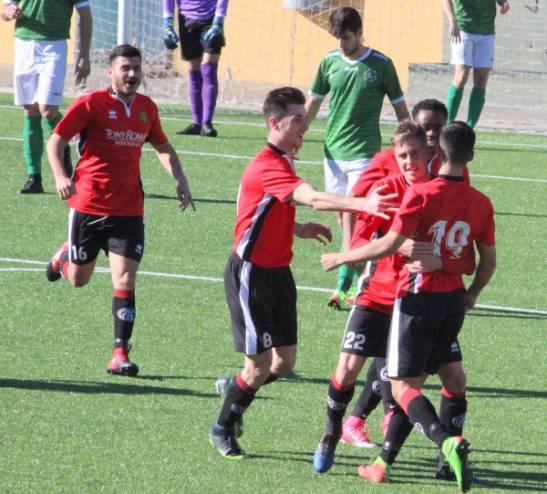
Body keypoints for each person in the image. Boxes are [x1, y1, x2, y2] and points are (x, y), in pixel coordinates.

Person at [209, 86, 401, 460]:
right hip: (251, 275)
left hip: (279, 274)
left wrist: (297, 228)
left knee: (284, 362)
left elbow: (259, 208)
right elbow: (312, 197)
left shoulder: (285, 161)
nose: (305, 126)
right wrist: (363, 203)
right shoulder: (267, 164)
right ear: (274, 123)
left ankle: (235, 387)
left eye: (305, 119)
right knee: (259, 366)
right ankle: (222, 427)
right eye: (297, 120)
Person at [321, 122, 496, 492]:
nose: (408, 160)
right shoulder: (389, 192)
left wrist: (342, 257)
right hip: (400, 298)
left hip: (416, 301)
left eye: (415, 153)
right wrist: (471, 291)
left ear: (434, 153)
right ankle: (348, 444)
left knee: (411, 386)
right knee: (361, 372)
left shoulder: (427, 194)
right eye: (401, 155)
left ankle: (443, 449)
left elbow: (406, 246)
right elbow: (476, 261)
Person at [44, 44, 195, 377]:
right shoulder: (91, 104)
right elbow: (56, 139)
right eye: (125, 68)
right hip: (88, 205)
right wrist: (60, 176)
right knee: (79, 280)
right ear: (110, 71)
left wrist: (181, 179)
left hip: (128, 209)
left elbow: (162, 146)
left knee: (125, 278)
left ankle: (119, 353)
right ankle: (64, 257)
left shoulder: (146, 108)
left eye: (136, 68)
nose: (131, 74)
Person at [341, 102, 472, 481]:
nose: (429, 136)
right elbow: (359, 209)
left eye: (436, 130)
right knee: (398, 380)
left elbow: (467, 256)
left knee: (430, 382)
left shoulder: (455, 185)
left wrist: (457, 274)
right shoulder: (390, 173)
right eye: (424, 128)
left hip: (436, 299)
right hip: (408, 296)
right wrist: (349, 254)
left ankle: (440, 455)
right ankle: (365, 438)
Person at [306, 6, 410, 310]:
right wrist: (298, 134)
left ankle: (345, 283)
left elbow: (400, 108)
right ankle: (364, 272)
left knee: (357, 217)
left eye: (347, 37)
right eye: (337, 38)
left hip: (365, 154)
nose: (341, 43)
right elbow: (313, 101)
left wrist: (410, 143)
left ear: (360, 33)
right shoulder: (329, 62)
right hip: (332, 153)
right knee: (344, 217)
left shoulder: (381, 65)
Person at [1, 0, 92, 194]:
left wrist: (84, 55)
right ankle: (34, 178)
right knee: (30, 109)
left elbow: (85, 15)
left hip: (54, 45)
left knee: (48, 110)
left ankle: (64, 145)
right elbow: (4, 9)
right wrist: (8, 11)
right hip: (24, 44)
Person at [162, 0, 229, 137]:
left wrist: (219, 20)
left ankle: (207, 123)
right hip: (187, 20)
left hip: (212, 19)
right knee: (194, 70)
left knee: (209, 68)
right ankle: (197, 124)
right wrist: (167, 25)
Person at [444, 0, 510, 127]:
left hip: (487, 33)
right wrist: (452, 21)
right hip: (463, 29)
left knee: (481, 80)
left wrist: (503, 4)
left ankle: (470, 128)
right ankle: (448, 125)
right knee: (461, 76)